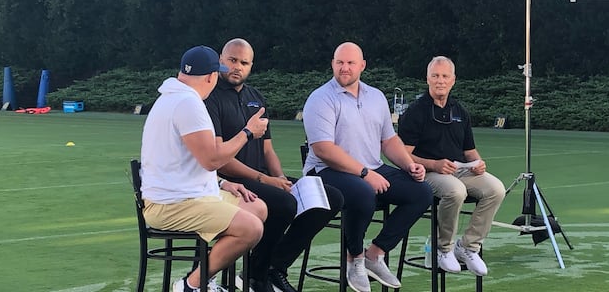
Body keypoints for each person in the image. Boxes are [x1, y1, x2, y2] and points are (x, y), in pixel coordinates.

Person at [205, 38, 344, 292]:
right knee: (284, 204)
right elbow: (220, 159)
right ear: (221, 60)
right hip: (232, 182)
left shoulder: (256, 97)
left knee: (330, 197)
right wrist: (266, 181)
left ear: (251, 65)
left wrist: (281, 180)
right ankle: (255, 276)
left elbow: (267, 149)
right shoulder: (211, 97)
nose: (237, 67)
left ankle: (274, 267)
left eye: (244, 63)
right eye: (232, 60)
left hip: (263, 178)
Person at [303, 41, 433, 292]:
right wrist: (364, 173)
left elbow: (389, 140)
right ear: (332, 63)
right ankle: (355, 259)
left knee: (422, 192)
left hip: (372, 167)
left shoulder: (376, 97)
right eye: (339, 62)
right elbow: (323, 149)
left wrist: (409, 164)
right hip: (326, 171)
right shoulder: (321, 98)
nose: (344, 68)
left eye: (351, 63)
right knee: (363, 192)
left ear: (362, 65)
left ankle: (375, 254)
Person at [140, 45, 270, 292]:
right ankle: (192, 286)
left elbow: (184, 161)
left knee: (258, 208)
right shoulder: (188, 103)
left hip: (180, 195)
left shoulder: (172, 98)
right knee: (251, 228)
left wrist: (221, 183)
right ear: (211, 77)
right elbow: (211, 160)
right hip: (173, 203)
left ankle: (204, 277)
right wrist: (247, 133)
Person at [397, 56, 505, 276]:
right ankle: (443, 248)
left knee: (496, 189)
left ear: (453, 80)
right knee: (455, 191)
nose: (440, 81)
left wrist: (479, 163)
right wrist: (434, 164)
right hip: (425, 172)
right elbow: (403, 155)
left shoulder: (459, 111)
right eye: (435, 76)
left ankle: (468, 247)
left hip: (459, 169)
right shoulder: (416, 112)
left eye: (445, 76)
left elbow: (469, 150)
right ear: (427, 78)